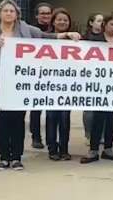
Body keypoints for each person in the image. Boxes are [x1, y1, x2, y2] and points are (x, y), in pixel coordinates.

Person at [0, 0, 80, 171]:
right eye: (5, 11)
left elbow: (46, 36)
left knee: (18, 120)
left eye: (12, 11)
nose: (9, 14)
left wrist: (67, 35)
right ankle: (4, 157)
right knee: (1, 120)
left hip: (20, 83)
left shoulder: (26, 30)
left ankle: (17, 157)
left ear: (17, 14)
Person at [81, 13, 113, 163]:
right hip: (99, 85)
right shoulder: (95, 41)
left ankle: (108, 148)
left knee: (112, 117)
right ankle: (93, 150)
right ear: (104, 25)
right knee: (98, 117)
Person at [45, 8, 77, 161]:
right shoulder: (45, 39)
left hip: (68, 85)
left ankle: (64, 149)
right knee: (51, 117)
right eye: (59, 19)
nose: (62, 22)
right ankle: (52, 149)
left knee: (65, 118)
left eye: (65, 20)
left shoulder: (75, 41)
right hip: (50, 84)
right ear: (53, 21)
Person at [29, 2, 53, 149]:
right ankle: (36, 137)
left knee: (51, 109)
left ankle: (51, 138)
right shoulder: (30, 31)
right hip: (36, 73)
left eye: (48, 13)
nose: (46, 16)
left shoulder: (55, 29)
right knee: (36, 108)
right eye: (42, 13)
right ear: (37, 15)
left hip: (54, 74)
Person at [82, 13, 105, 146]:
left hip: (104, 76)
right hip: (89, 76)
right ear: (91, 23)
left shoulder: (106, 38)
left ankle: (100, 134)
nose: (100, 23)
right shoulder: (85, 38)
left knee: (102, 108)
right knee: (89, 108)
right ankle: (89, 134)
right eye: (98, 21)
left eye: (102, 21)